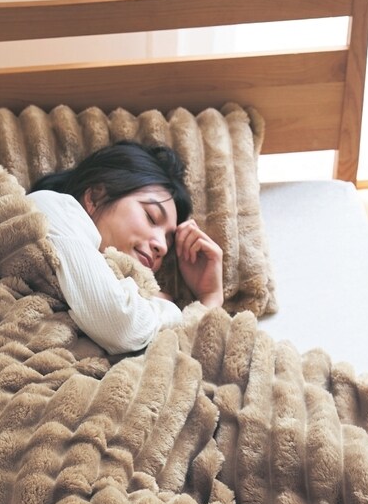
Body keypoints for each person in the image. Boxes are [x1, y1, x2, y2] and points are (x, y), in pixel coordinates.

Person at [27, 141, 224, 354]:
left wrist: (210, 296)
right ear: (95, 197)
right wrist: (165, 306)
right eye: (151, 216)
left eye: (168, 241)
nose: (162, 247)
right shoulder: (50, 206)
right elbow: (122, 326)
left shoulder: (126, 302)